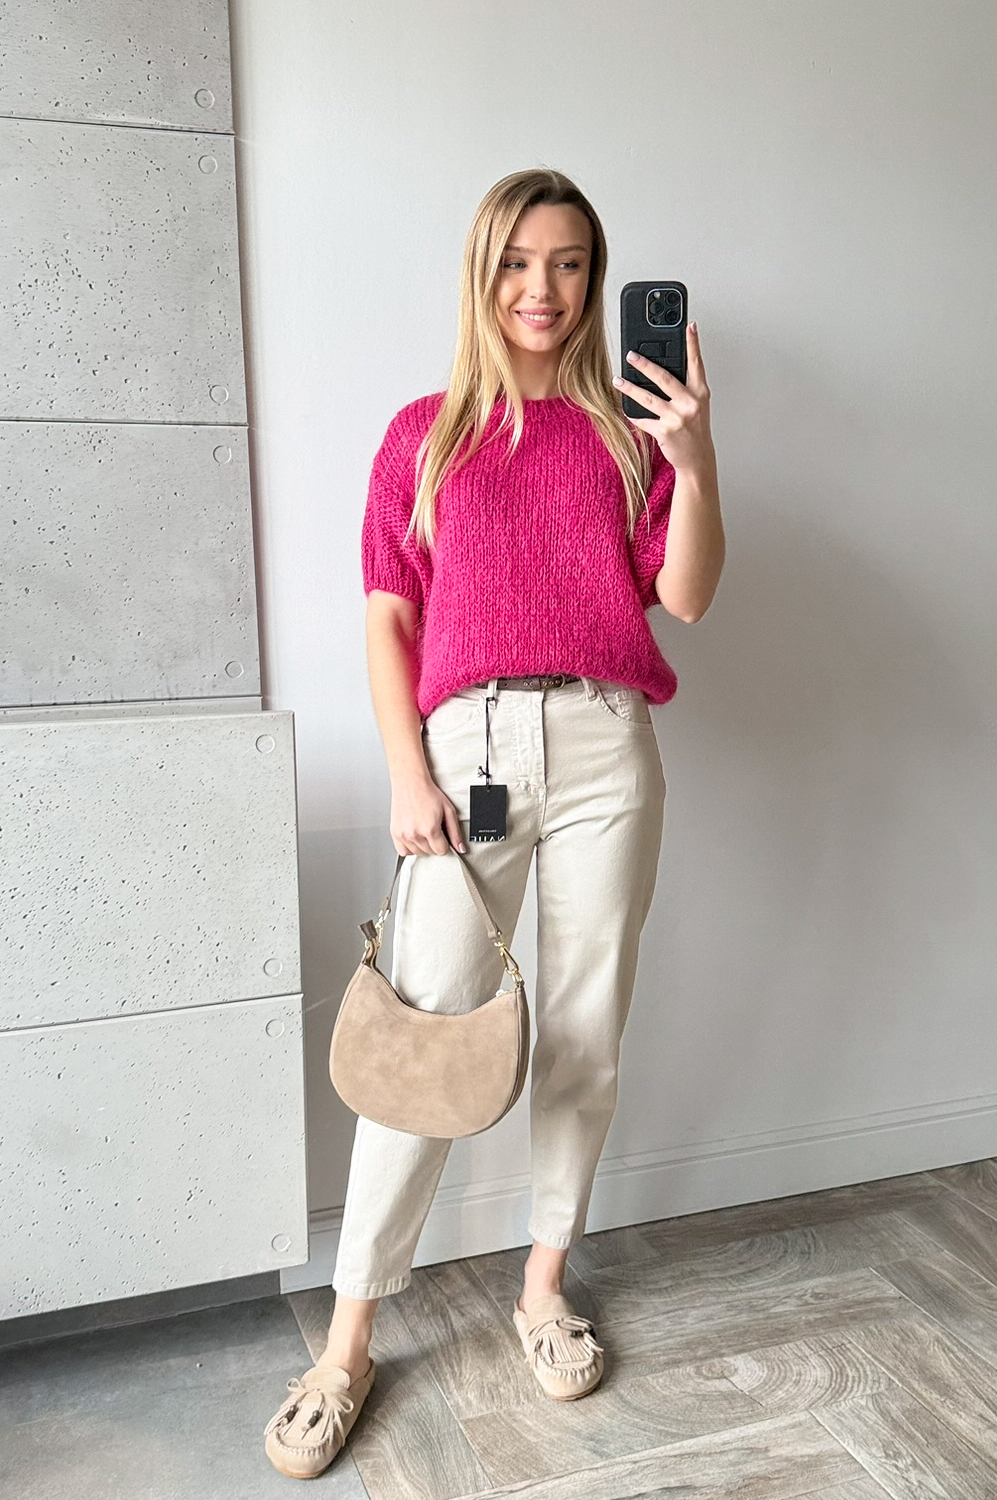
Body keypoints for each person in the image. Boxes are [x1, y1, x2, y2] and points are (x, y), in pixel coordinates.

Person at [264, 166, 724, 1480]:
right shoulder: (423, 434)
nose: (544, 288)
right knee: (426, 1038)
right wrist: (405, 772)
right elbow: (388, 618)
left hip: (605, 747)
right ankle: (347, 1344)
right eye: (519, 261)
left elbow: (688, 596)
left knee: (582, 1031)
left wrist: (694, 456)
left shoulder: (628, 435)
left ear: (595, 278)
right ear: (482, 272)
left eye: (570, 263)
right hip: (464, 754)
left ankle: (542, 1287)